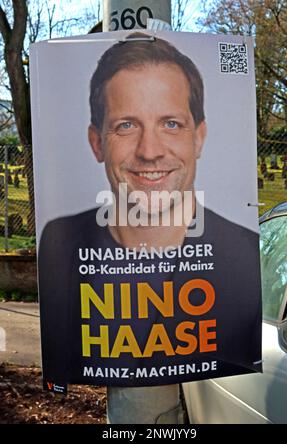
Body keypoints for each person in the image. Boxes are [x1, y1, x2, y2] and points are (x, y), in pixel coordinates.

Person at [38, 32, 262, 424]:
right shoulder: (60, 242)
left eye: (171, 123)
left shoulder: (241, 251)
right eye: (126, 125)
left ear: (199, 137)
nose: (150, 151)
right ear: (96, 142)